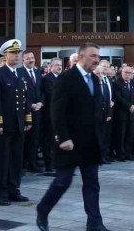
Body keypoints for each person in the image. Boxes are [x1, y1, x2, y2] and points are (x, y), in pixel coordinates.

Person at [36, 43, 109, 231]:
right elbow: (56, 110)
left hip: (90, 142)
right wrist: (62, 137)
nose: (96, 60)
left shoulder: (94, 79)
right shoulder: (66, 78)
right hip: (69, 142)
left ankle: (95, 222)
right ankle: (43, 210)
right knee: (63, 181)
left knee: (92, 182)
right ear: (81, 56)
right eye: (93, 56)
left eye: (97, 56)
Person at [0, 39, 33, 206]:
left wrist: (28, 119)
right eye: (13, 53)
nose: (17, 56)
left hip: (19, 124)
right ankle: (0, 192)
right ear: (5, 55)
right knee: (1, 160)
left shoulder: (21, 74)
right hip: (4, 125)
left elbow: (26, 99)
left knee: (16, 159)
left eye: (18, 53)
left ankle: (14, 189)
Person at [17, 51, 44, 173]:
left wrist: (41, 103)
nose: (31, 60)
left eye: (32, 58)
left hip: (37, 111)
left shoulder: (38, 73)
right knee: (22, 139)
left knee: (35, 139)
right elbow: (18, 94)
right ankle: (21, 165)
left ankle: (32, 164)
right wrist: (30, 105)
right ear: (23, 60)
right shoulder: (19, 73)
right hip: (24, 111)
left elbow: (42, 90)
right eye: (28, 58)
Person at [111, 65, 134, 161]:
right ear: (122, 72)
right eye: (126, 72)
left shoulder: (133, 83)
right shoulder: (117, 83)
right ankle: (120, 154)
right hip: (122, 113)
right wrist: (129, 106)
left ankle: (128, 153)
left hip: (132, 113)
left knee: (130, 134)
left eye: (130, 73)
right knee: (121, 135)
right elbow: (118, 97)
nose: (128, 74)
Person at [41, 60, 62, 171]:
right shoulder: (47, 79)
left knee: (58, 140)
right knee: (49, 140)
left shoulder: (62, 78)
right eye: (57, 65)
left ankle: (57, 162)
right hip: (50, 115)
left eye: (60, 65)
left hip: (60, 115)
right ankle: (49, 164)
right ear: (51, 66)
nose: (59, 67)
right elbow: (51, 95)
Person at [97, 60, 114, 165]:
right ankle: (100, 157)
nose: (106, 68)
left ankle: (105, 155)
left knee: (107, 135)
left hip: (108, 112)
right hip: (98, 114)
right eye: (104, 66)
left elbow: (109, 97)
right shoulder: (96, 81)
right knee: (100, 136)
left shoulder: (108, 80)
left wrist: (109, 113)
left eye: (108, 66)